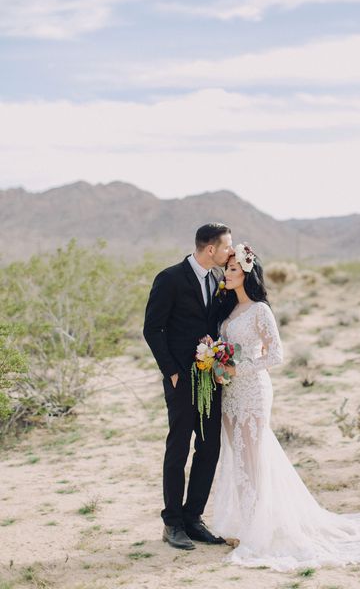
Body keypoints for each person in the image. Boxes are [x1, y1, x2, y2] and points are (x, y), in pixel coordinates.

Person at [211, 243, 360, 572]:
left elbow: (276, 356)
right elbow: (228, 351)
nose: (227, 274)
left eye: (232, 269)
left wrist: (236, 369)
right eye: (226, 269)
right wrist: (218, 367)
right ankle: (244, 524)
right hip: (230, 393)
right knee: (236, 457)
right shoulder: (228, 313)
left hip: (254, 391)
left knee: (254, 457)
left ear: (247, 273)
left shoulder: (261, 310)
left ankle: (258, 531)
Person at [143, 223, 234, 551]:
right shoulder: (169, 278)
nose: (230, 252)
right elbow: (152, 329)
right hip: (181, 379)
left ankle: (194, 517)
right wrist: (172, 372)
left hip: (211, 378)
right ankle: (173, 523)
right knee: (179, 446)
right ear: (211, 249)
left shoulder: (217, 279)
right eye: (227, 247)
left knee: (210, 447)